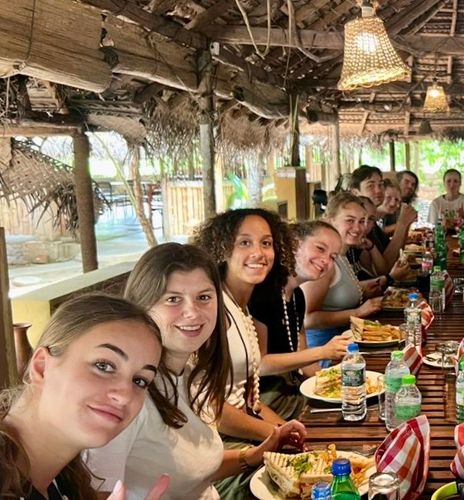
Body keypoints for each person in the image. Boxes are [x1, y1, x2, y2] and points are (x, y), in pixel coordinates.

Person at [86, 243, 306, 499]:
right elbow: (97, 492)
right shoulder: (122, 399)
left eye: (204, 297)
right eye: (173, 299)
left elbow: (193, 472)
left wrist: (253, 455)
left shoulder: (191, 372)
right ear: (142, 306)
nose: (192, 312)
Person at [0, 293, 169, 499]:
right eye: (103, 366)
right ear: (42, 367)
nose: (125, 395)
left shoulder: (64, 479)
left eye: (140, 381)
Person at [190, 208, 298, 441]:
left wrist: (288, 431)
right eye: (244, 243)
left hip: (243, 433)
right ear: (221, 249)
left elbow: (249, 401)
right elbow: (212, 407)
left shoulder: (241, 307)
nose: (258, 253)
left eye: (266, 243)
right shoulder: (212, 308)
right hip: (216, 444)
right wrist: (276, 435)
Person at [249, 221, 354, 416]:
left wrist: (337, 382)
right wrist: (323, 351)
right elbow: (260, 364)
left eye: (333, 257)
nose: (326, 260)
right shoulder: (262, 292)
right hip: (264, 404)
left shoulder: (297, 296)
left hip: (292, 392)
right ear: (294, 243)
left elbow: (305, 362)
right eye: (320, 248)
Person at [303, 192, 383, 350]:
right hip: (324, 351)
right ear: (329, 220)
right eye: (350, 220)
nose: (358, 228)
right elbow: (308, 319)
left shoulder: (341, 255)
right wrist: (359, 312)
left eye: (362, 221)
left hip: (348, 343)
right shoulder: (324, 261)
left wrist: (363, 291)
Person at [349, 165, 417, 270]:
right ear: (355, 192)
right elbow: (385, 268)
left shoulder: (373, 224)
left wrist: (406, 223)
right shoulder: (358, 226)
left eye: (380, 185)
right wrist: (402, 224)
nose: (378, 190)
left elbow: (396, 254)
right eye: (371, 186)